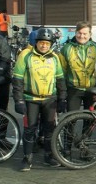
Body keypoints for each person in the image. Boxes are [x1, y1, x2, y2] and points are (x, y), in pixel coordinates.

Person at [12, 27, 67, 171]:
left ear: (51, 44)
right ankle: (27, 158)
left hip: (50, 99)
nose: (44, 45)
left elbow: (60, 79)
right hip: (31, 99)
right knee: (29, 129)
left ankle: (49, 156)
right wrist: (18, 100)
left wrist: (62, 99)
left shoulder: (55, 57)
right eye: (41, 42)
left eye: (47, 43)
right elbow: (17, 80)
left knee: (50, 130)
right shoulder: (25, 55)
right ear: (36, 43)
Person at [59, 21, 96, 112]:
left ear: (90, 34)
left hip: (91, 90)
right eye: (79, 33)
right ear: (75, 33)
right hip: (73, 89)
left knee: (90, 121)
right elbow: (61, 72)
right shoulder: (66, 49)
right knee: (70, 120)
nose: (81, 36)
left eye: (85, 33)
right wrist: (62, 91)